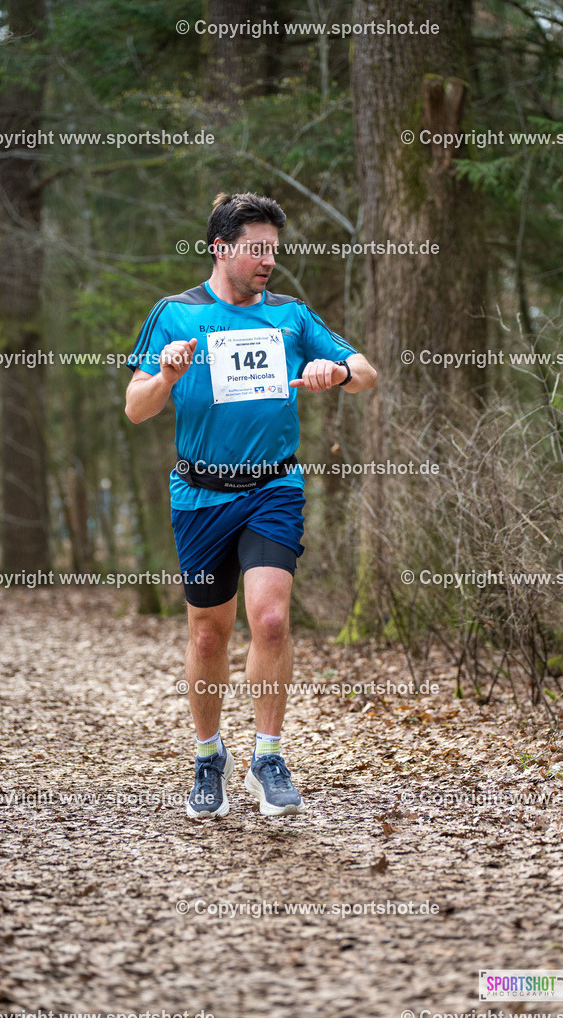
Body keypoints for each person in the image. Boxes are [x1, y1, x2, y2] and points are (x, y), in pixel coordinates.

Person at [125, 192, 377, 820]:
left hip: (273, 488)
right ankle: (209, 756)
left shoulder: (291, 315)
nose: (268, 260)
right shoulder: (175, 315)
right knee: (209, 635)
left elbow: (367, 371)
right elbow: (135, 407)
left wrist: (335, 375)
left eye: (274, 249)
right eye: (256, 249)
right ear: (221, 250)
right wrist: (166, 378)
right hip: (200, 494)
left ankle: (268, 755)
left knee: (268, 620)